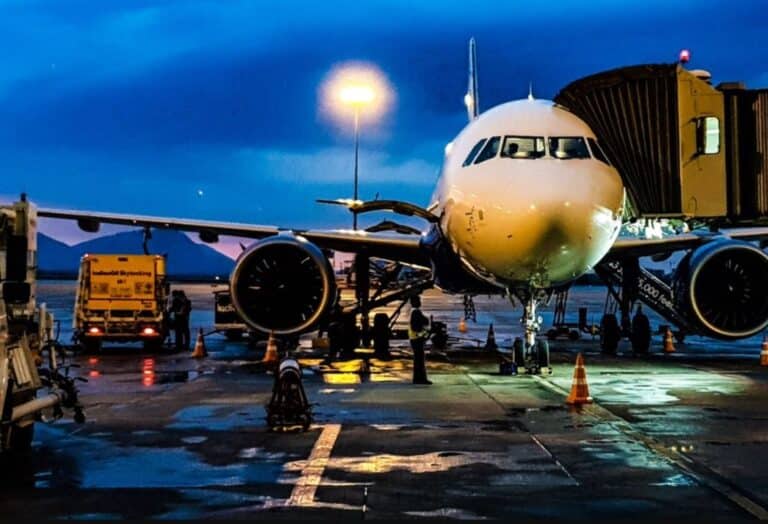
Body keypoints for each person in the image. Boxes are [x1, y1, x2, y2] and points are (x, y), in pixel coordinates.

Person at [408, 295, 431, 385]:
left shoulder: (413, 312)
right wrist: (423, 334)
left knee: (418, 359)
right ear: (415, 302)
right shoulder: (416, 312)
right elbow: (416, 327)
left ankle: (418, 378)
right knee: (419, 360)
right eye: (418, 301)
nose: (420, 302)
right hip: (417, 339)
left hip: (414, 338)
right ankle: (420, 379)